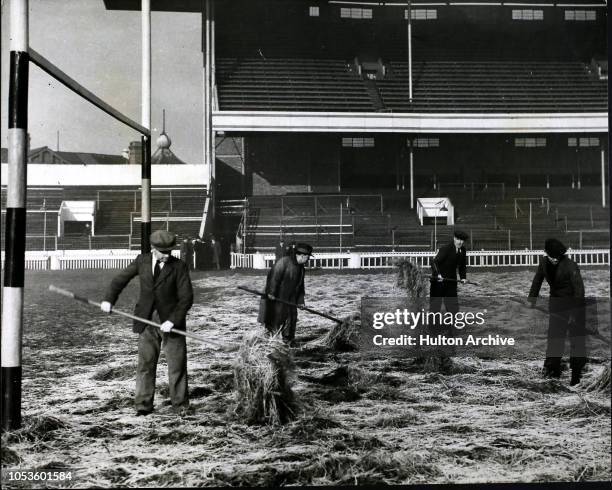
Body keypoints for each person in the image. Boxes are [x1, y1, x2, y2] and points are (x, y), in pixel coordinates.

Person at [100, 230, 194, 416]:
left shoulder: (179, 266)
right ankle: (143, 405)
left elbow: (186, 298)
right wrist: (109, 299)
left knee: (177, 365)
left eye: (170, 252)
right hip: (146, 320)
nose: (167, 256)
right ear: (153, 249)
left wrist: (172, 321)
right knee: (146, 364)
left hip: (171, 322)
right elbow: (120, 279)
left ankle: (180, 406)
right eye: (163, 252)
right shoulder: (141, 261)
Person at [528, 238, 586, 385]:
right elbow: (537, 281)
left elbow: (579, 290)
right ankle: (552, 371)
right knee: (554, 338)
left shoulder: (570, 265)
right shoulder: (544, 262)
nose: (552, 259)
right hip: (556, 305)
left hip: (574, 305)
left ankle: (576, 375)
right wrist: (532, 299)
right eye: (550, 256)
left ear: (560, 255)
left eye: (555, 257)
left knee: (576, 341)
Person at [257, 242, 313, 345]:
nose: (308, 260)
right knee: (274, 319)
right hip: (275, 297)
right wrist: (271, 293)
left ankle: (288, 341)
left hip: (290, 298)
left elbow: (300, 287)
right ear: (301, 256)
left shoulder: (301, 269)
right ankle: (268, 342)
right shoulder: (283, 263)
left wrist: (300, 302)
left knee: (291, 318)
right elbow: (273, 277)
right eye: (307, 257)